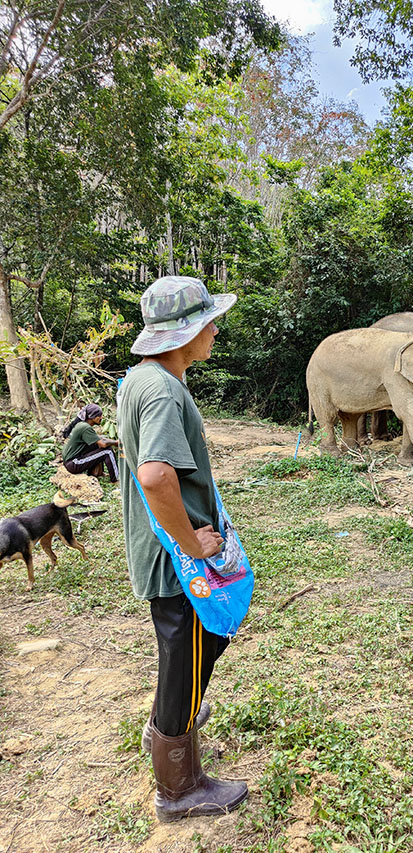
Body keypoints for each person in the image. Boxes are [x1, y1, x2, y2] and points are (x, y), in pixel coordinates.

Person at [116, 275, 246, 824]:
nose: (216, 329)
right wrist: (193, 542)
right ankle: (178, 787)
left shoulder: (142, 380)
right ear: (186, 332)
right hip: (177, 561)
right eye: (209, 320)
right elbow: (154, 475)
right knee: (187, 658)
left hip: (159, 550)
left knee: (183, 658)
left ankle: (171, 725)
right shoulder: (165, 391)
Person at [61, 403, 119, 482]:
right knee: (107, 451)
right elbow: (103, 444)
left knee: (96, 445)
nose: (101, 418)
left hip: (71, 461)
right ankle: (116, 479)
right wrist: (116, 443)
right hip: (74, 463)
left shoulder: (81, 425)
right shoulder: (85, 427)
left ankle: (98, 473)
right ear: (92, 417)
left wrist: (109, 440)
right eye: (99, 416)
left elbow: (98, 439)